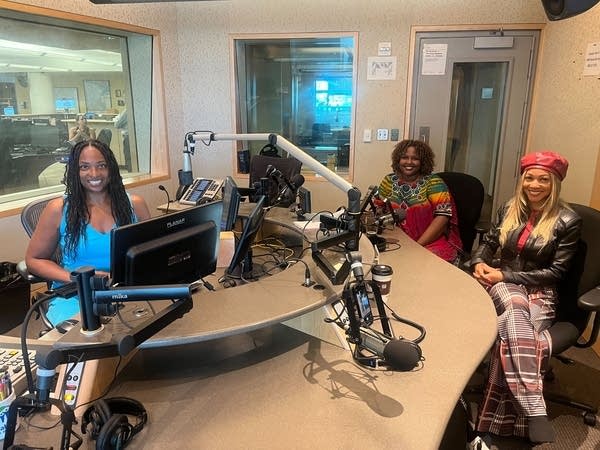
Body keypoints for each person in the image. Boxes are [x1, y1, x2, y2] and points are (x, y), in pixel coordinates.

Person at [470, 151, 581, 444]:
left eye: (543, 180)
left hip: (539, 291)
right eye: (529, 178)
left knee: (509, 335)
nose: (535, 185)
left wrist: (504, 276)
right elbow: (489, 243)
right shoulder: (509, 208)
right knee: (515, 306)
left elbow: (555, 273)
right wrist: (478, 263)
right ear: (522, 180)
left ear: (554, 183)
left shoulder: (568, 219)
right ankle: (534, 410)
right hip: (502, 285)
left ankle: (488, 426)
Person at [25, 139, 150, 326]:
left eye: (101, 165)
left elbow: (152, 252)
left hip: (126, 294)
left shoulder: (134, 205)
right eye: (85, 167)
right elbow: (34, 260)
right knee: (91, 342)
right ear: (76, 171)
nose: (94, 174)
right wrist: (74, 277)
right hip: (76, 296)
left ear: (112, 168)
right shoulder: (58, 209)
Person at [377, 139, 462, 263]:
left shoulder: (433, 182)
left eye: (415, 158)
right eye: (404, 157)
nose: (409, 162)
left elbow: (442, 218)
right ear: (398, 160)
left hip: (430, 241)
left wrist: (417, 246)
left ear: (423, 161)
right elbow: (378, 210)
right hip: (396, 239)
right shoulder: (388, 181)